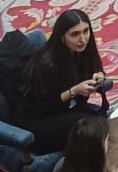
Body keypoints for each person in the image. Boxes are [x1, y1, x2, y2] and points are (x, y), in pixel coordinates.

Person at [21, 8, 107, 154]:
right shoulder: (48, 63)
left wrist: (99, 75)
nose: (83, 39)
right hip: (42, 121)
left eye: (86, 31)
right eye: (75, 34)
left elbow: (96, 66)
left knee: (102, 122)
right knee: (89, 129)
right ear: (62, 37)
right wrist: (73, 91)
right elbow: (42, 106)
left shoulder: (84, 48)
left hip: (70, 110)